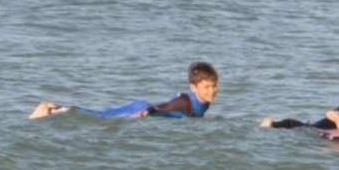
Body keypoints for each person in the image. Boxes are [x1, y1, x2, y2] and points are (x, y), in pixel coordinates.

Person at [29, 62, 218, 119]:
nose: (212, 91)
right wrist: (147, 112)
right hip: (142, 109)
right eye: (207, 87)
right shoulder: (186, 102)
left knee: (100, 115)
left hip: (143, 108)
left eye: (214, 85)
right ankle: (50, 110)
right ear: (193, 87)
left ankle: (53, 109)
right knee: (99, 117)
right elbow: (164, 107)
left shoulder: (204, 102)